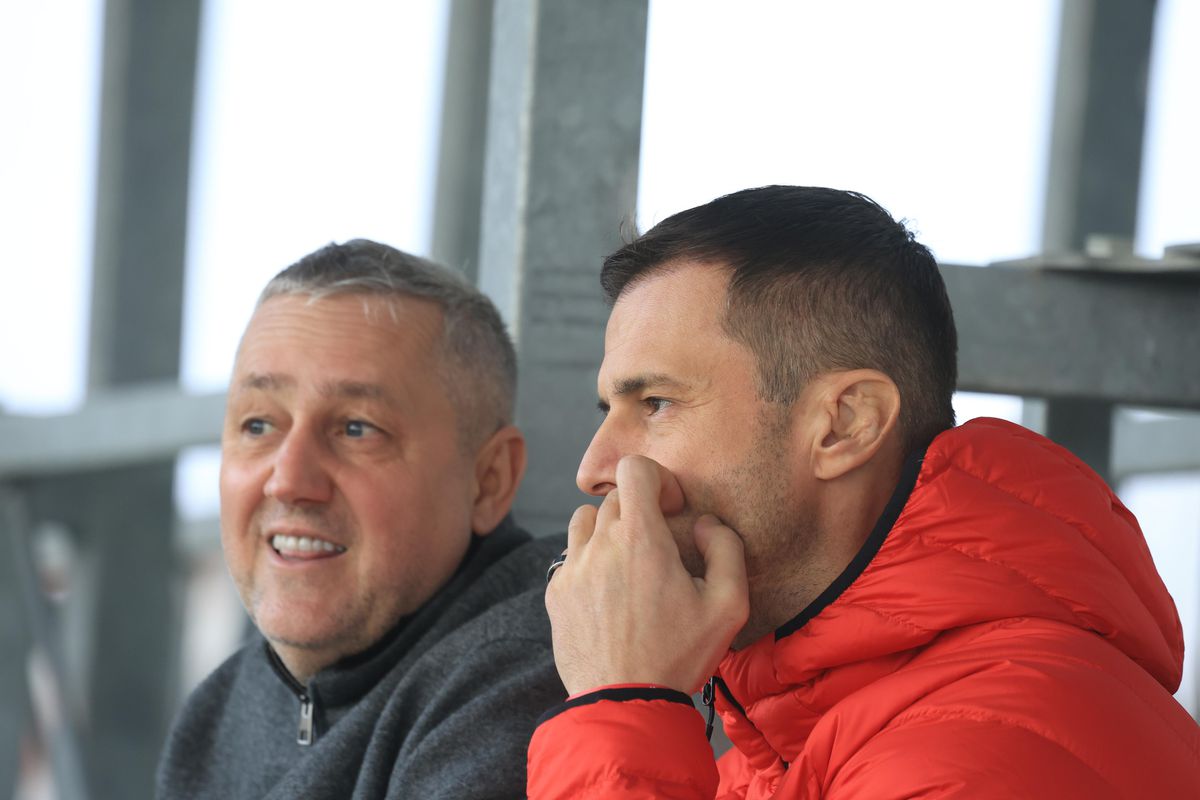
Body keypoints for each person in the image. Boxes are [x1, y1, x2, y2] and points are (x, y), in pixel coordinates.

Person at [528, 186, 1200, 798]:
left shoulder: (977, 756)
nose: (594, 468)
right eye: (609, 412)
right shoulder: (775, 758)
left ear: (844, 425)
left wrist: (619, 703)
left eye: (655, 402)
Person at [157, 240, 565, 799]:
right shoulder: (217, 713)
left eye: (356, 429)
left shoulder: (534, 672)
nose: (288, 480)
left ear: (489, 479)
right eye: (258, 425)